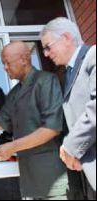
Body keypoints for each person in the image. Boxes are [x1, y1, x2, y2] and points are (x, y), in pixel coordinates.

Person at [0, 41, 68, 199]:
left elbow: (51, 128)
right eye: (3, 63)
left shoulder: (46, 81)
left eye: (8, 63)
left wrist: (13, 146)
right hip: (31, 180)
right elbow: (0, 121)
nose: (5, 68)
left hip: (53, 178)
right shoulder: (14, 94)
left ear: (24, 59)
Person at [40, 17, 96, 199]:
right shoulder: (70, 73)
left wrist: (70, 147)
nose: (46, 54)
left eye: (48, 47)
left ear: (66, 37)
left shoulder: (93, 56)